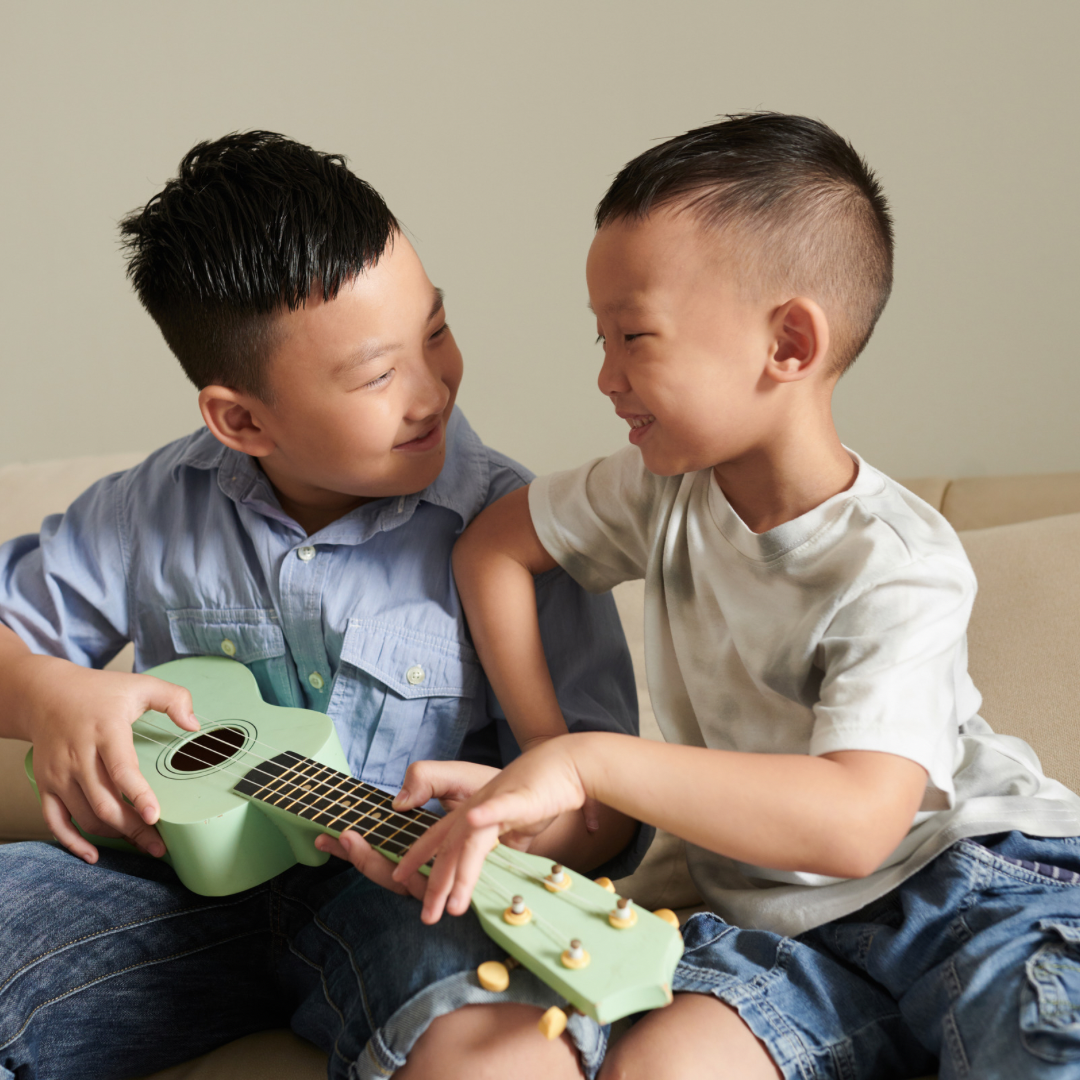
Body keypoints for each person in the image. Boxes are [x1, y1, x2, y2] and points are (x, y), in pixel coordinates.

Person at [395, 113, 1080, 1080]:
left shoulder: (901, 563)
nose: (604, 376)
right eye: (600, 337)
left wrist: (593, 764)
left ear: (790, 343)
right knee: (660, 1065)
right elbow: (492, 551)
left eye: (634, 336)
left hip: (966, 887)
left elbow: (855, 822)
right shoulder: (661, 489)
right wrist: (547, 752)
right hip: (775, 929)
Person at [0, 131, 646, 1080]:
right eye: (380, 375)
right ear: (242, 419)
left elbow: (606, 808)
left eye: (435, 332)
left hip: (402, 896)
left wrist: (522, 828)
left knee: (497, 1044)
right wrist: (49, 697)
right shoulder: (149, 510)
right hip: (161, 892)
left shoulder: (518, 535)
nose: (431, 389)